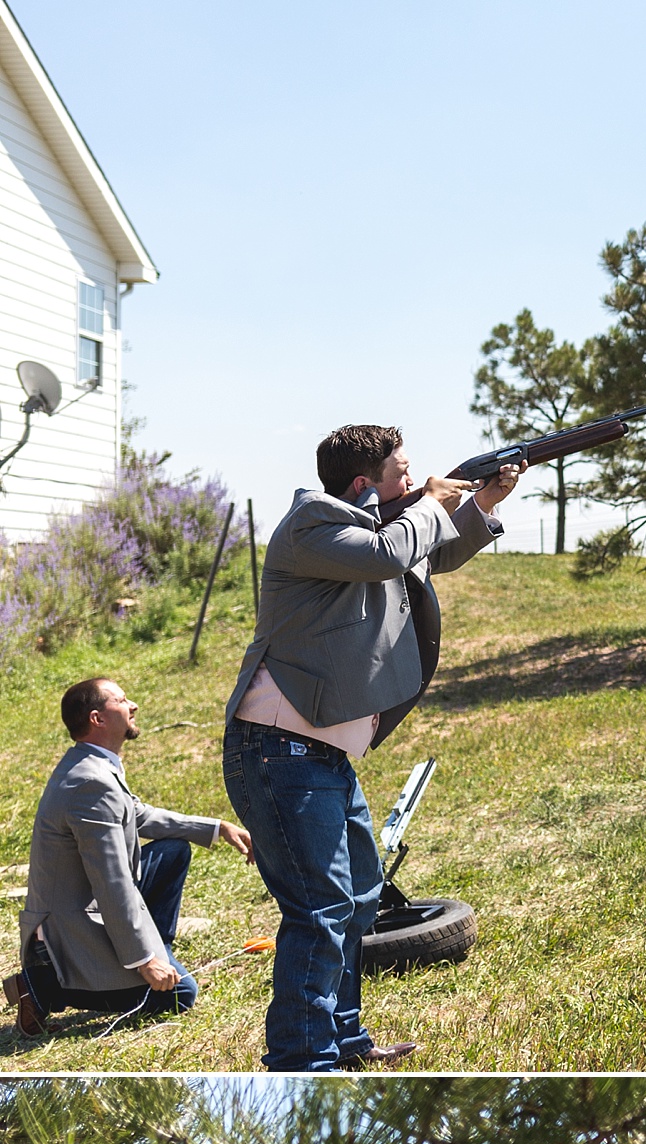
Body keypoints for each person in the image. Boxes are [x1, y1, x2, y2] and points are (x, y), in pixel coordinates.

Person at [220, 419, 523, 1074]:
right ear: (365, 483)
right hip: (277, 750)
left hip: (319, 754)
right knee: (320, 906)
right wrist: (433, 503)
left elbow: (429, 552)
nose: (414, 480)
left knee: (358, 895)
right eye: (403, 472)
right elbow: (390, 552)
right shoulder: (314, 525)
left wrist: (481, 505)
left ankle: (345, 1040)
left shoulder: (376, 533)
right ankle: (304, 1058)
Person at [6, 675, 253, 1044]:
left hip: (88, 902)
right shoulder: (88, 782)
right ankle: (42, 987)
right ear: (97, 719)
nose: (132, 705)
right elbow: (111, 881)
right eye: (121, 700)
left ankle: (157, 952)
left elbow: (136, 814)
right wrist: (144, 961)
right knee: (180, 996)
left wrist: (216, 828)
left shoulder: (91, 764)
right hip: (69, 931)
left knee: (172, 850)